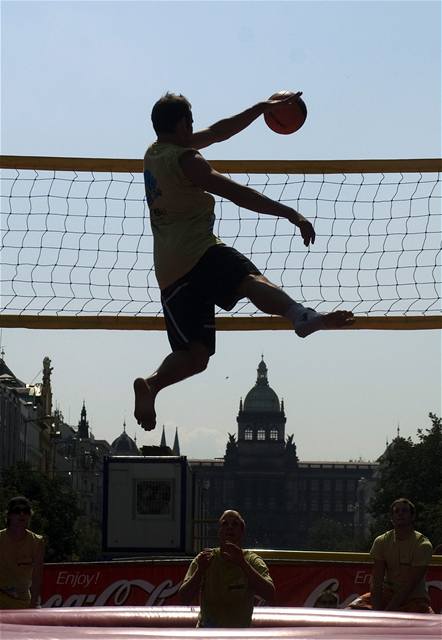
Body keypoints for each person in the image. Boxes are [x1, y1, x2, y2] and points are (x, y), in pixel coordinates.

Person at [134, 92, 354, 431]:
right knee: (250, 280)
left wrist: (262, 109)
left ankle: (151, 385)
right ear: (181, 125)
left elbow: (219, 131)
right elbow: (238, 193)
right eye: (189, 124)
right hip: (199, 250)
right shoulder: (188, 160)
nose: (194, 130)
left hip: (168, 269)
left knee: (197, 356)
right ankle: (302, 317)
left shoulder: (153, 155)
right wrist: (290, 214)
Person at [178, 509, 275, 627]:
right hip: (207, 635)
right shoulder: (205, 559)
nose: (230, 527)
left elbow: (270, 594)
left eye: (235, 524)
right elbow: (183, 598)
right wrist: (200, 571)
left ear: (242, 531)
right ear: (219, 531)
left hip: (238, 636)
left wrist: (243, 564)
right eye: (225, 524)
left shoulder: (252, 561)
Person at [348, 498, 434, 613]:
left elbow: (409, 586)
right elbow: (376, 580)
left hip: (414, 599)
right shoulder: (381, 541)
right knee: (350, 610)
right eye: (396, 511)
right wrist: (377, 610)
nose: (400, 514)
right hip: (387, 595)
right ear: (391, 518)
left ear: (413, 516)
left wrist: (388, 613)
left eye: (404, 511)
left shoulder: (422, 545)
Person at [0, 496, 45, 609]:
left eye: (26, 511)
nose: (22, 514)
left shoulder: (37, 541)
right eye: (17, 511)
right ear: (9, 515)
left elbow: (37, 577)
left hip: (23, 602)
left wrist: (33, 604)